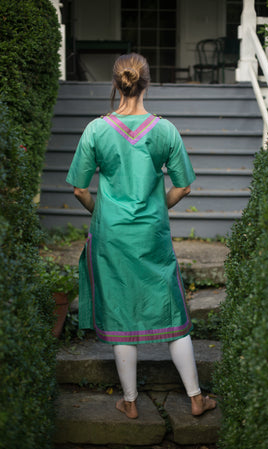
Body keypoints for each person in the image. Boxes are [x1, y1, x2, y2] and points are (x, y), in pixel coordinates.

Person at [66, 53, 217, 419]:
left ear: (116, 84)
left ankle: (130, 401)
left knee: (119, 310)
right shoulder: (165, 130)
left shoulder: (96, 130)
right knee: (172, 307)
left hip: (111, 235)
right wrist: (156, 209)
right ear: (146, 83)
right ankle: (196, 397)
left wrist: (102, 213)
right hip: (152, 233)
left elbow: (80, 190)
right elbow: (183, 186)